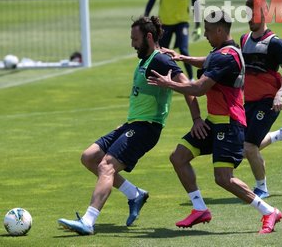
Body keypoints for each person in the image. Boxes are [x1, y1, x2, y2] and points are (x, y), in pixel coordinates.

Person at [57, 16, 203, 235]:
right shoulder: (145, 59)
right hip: (131, 124)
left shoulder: (160, 60)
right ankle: (134, 195)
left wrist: (196, 119)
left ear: (149, 37)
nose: (132, 44)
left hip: (147, 128)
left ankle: (88, 221)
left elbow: (188, 87)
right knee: (89, 157)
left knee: (106, 166)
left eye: (135, 39)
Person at [148, 10, 282, 234]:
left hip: (228, 124)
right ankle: (200, 209)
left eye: (208, 31)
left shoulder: (225, 57)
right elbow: (208, 60)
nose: (206, 36)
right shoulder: (226, 51)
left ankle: (269, 211)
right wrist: (182, 58)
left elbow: (199, 88)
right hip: (215, 122)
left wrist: (168, 84)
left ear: (220, 30)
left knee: (224, 178)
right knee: (179, 157)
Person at [241, 0, 282, 199]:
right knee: (243, 148)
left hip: (268, 102)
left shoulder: (275, 43)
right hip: (249, 102)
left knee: (249, 146)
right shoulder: (244, 40)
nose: (249, 18)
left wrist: (279, 95)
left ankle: (261, 188)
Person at [144, 0, 201, 80]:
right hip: (165, 23)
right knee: (161, 52)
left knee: (183, 49)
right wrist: (146, 15)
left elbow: (195, 2)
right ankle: (157, 78)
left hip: (182, 22)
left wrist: (198, 25)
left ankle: (191, 79)